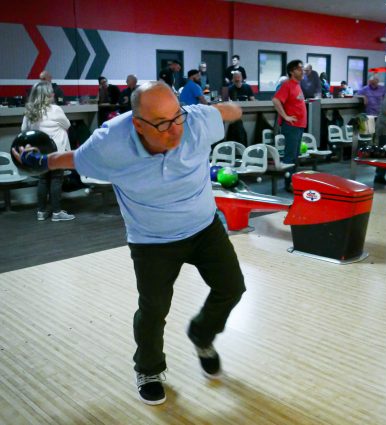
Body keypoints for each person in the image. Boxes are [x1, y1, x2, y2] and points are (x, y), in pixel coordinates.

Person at [13, 81, 245, 406]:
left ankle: (202, 335)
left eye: (176, 117)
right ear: (138, 124)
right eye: (162, 124)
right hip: (151, 239)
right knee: (153, 309)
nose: (174, 130)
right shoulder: (110, 145)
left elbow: (227, 112)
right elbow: (73, 159)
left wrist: (228, 109)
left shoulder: (195, 122)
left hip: (204, 227)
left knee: (233, 287)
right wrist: (40, 161)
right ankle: (148, 370)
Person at [21, 81, 75, 222]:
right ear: (46, 95)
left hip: (39, 152)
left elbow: (24, 131)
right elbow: (67, 125)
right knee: (56, 180)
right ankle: (57, 213)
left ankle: (41, 212)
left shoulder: (30, 111)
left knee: (43, 180)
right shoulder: (55, 109)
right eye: (50, 92)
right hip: (56, 151)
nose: (53, 93)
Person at [272, 60, 307, 192]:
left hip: (299, 126)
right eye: (299, 68)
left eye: (302, 68)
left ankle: (293, 182)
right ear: (292, 71)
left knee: (295, 156)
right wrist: (286, 116)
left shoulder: (297, 85)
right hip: (291, 126)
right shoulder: (288, 85)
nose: (302, 70)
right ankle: (288, 184)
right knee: (290, 156)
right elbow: (276, 100)